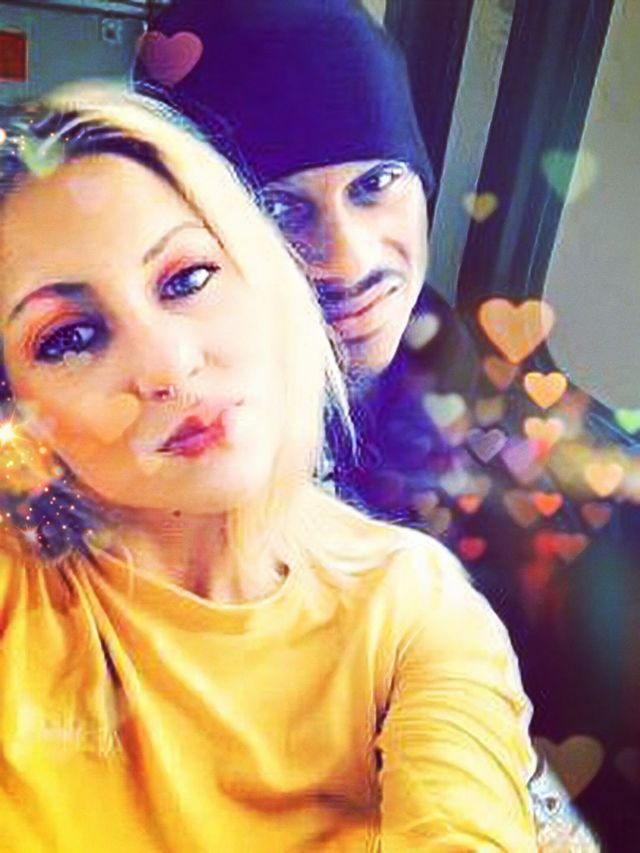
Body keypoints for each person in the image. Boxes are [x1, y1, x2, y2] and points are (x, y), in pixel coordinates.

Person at [0, 84, 538, 850]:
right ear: (18, 410)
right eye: (69, 337)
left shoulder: (412, 609)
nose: (170, 366)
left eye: (187, 279)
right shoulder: (20, 593)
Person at [133, 0, 479, 531]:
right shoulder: (142, 450)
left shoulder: (512, 436)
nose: (348, 261)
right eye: (277, 207)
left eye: (376, 183)